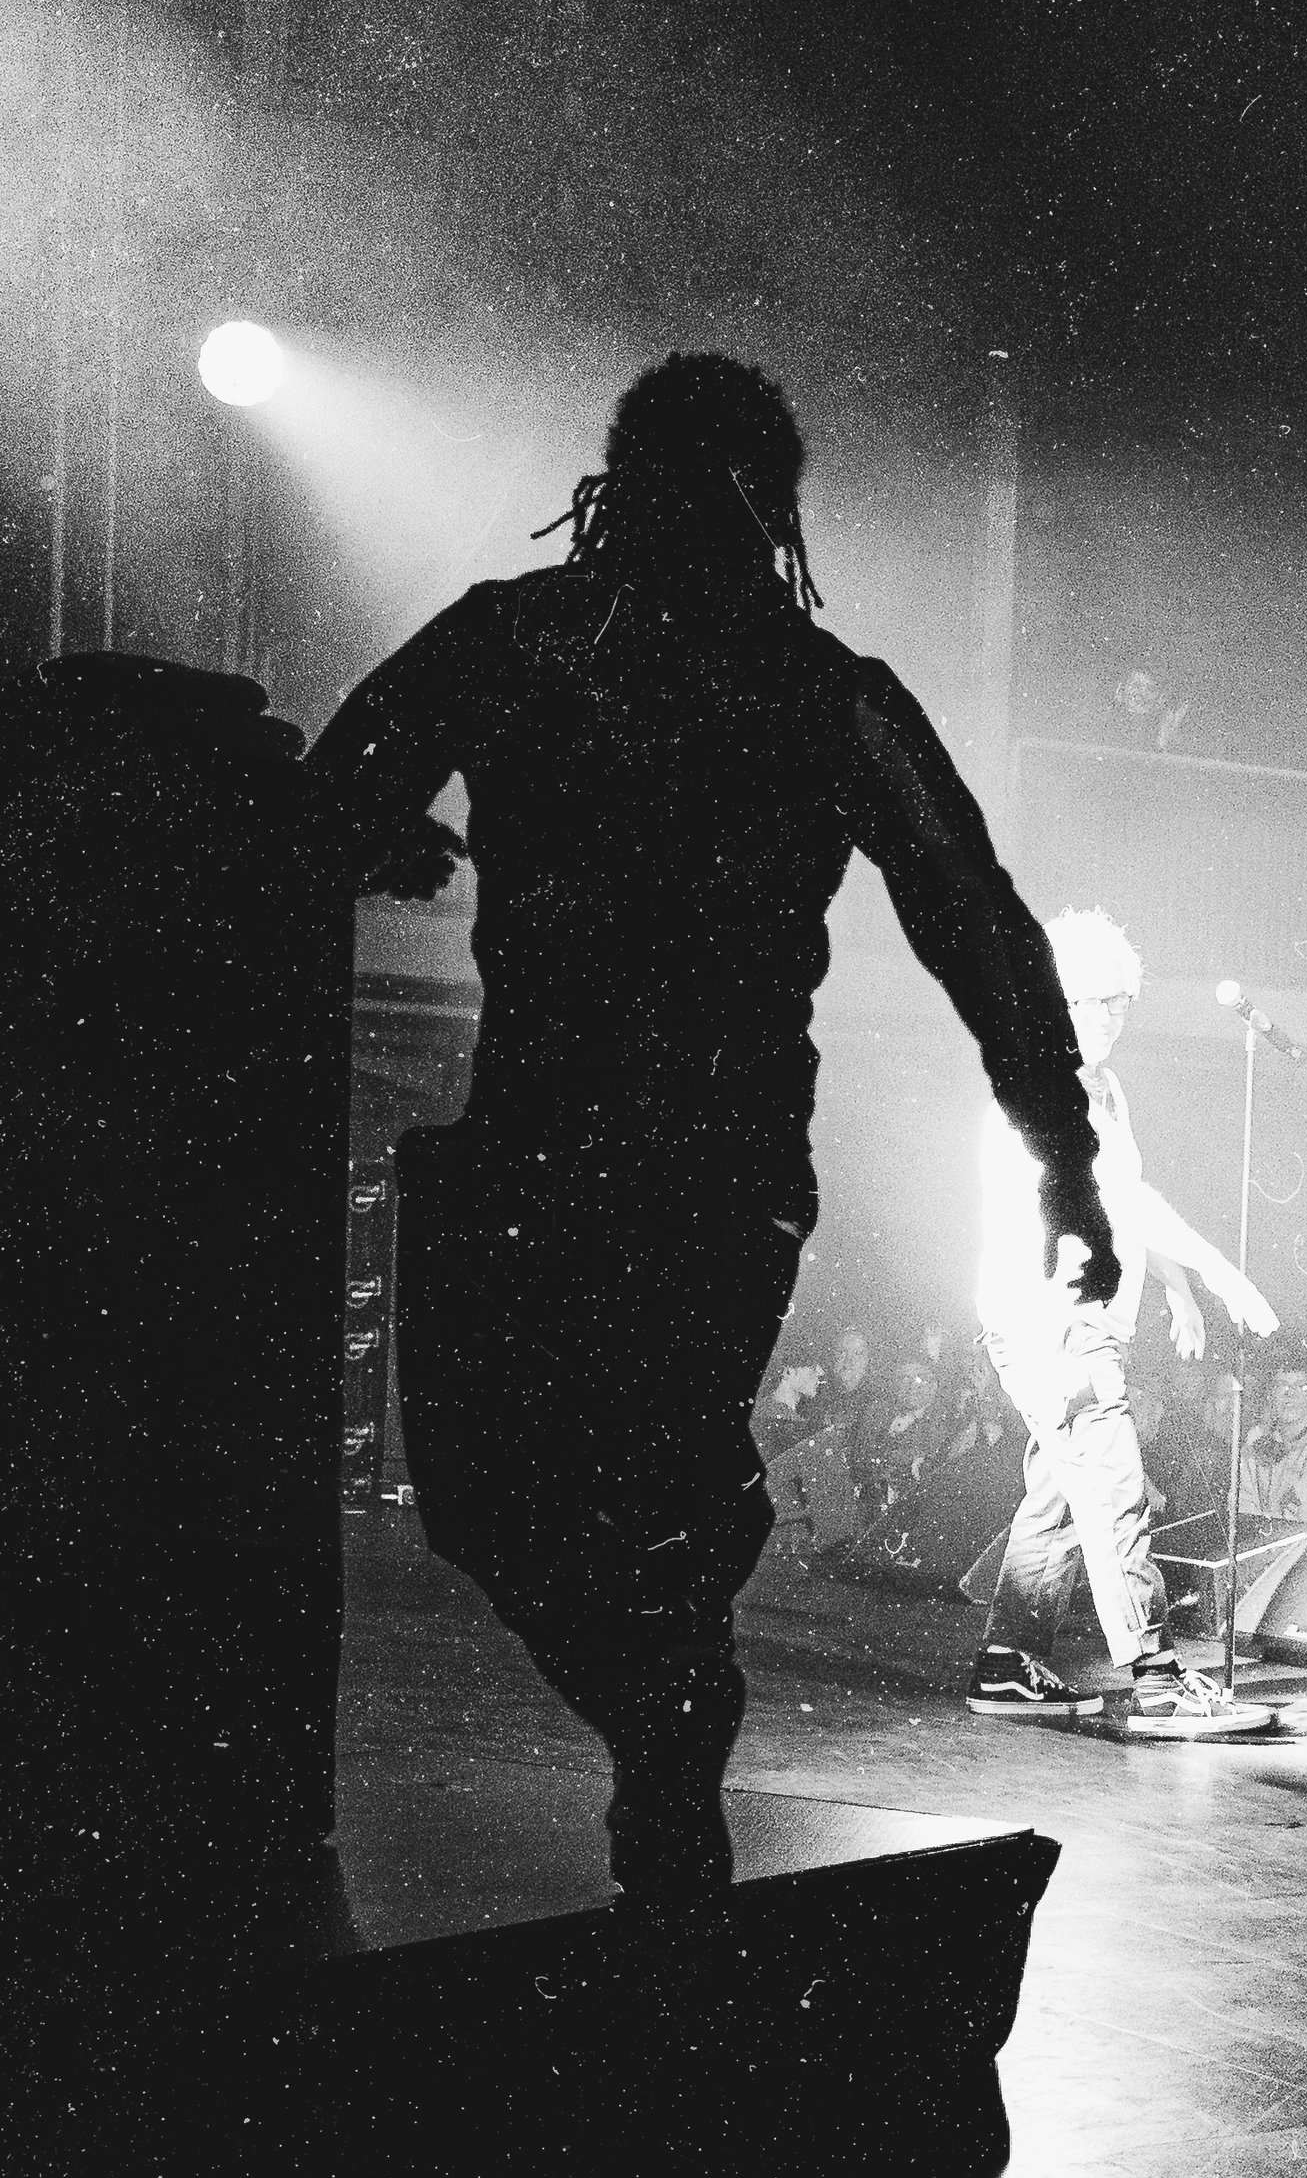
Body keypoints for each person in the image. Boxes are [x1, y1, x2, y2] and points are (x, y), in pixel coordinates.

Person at [311, 353, 1114, 1931]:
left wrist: (383, 831)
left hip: (638, 1165)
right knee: (526, 1506)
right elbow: (980, 924)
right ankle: (668, 1711)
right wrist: (1063, 1146)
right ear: (774, 513)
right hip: (659, 1166)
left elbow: (979, 921)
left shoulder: (552, 646)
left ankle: (667, 1727)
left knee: (530, 1500)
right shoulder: (779, 686)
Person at [970, 906, 1279, 1730]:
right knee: (1112, 1488)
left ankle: (1006, 1665)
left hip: (1084, 1320)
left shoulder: (1104, 1087)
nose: (1105, 1017)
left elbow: (1128, 1202)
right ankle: (1156, 1675)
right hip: (1051, 1324)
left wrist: (1176, 1283)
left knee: (1062, 1493)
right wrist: (1217, 1270)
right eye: (1087, 1000)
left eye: (1119, 1002)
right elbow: (1123, 1197)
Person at [1241, 1363, 1307, 1525]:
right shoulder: (1257, 1437)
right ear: (1270, 1395)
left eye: (1300, 1387)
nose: (1290, 1394)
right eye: (1281, 1386)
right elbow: (1242, 1496)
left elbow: (1306, 1513)